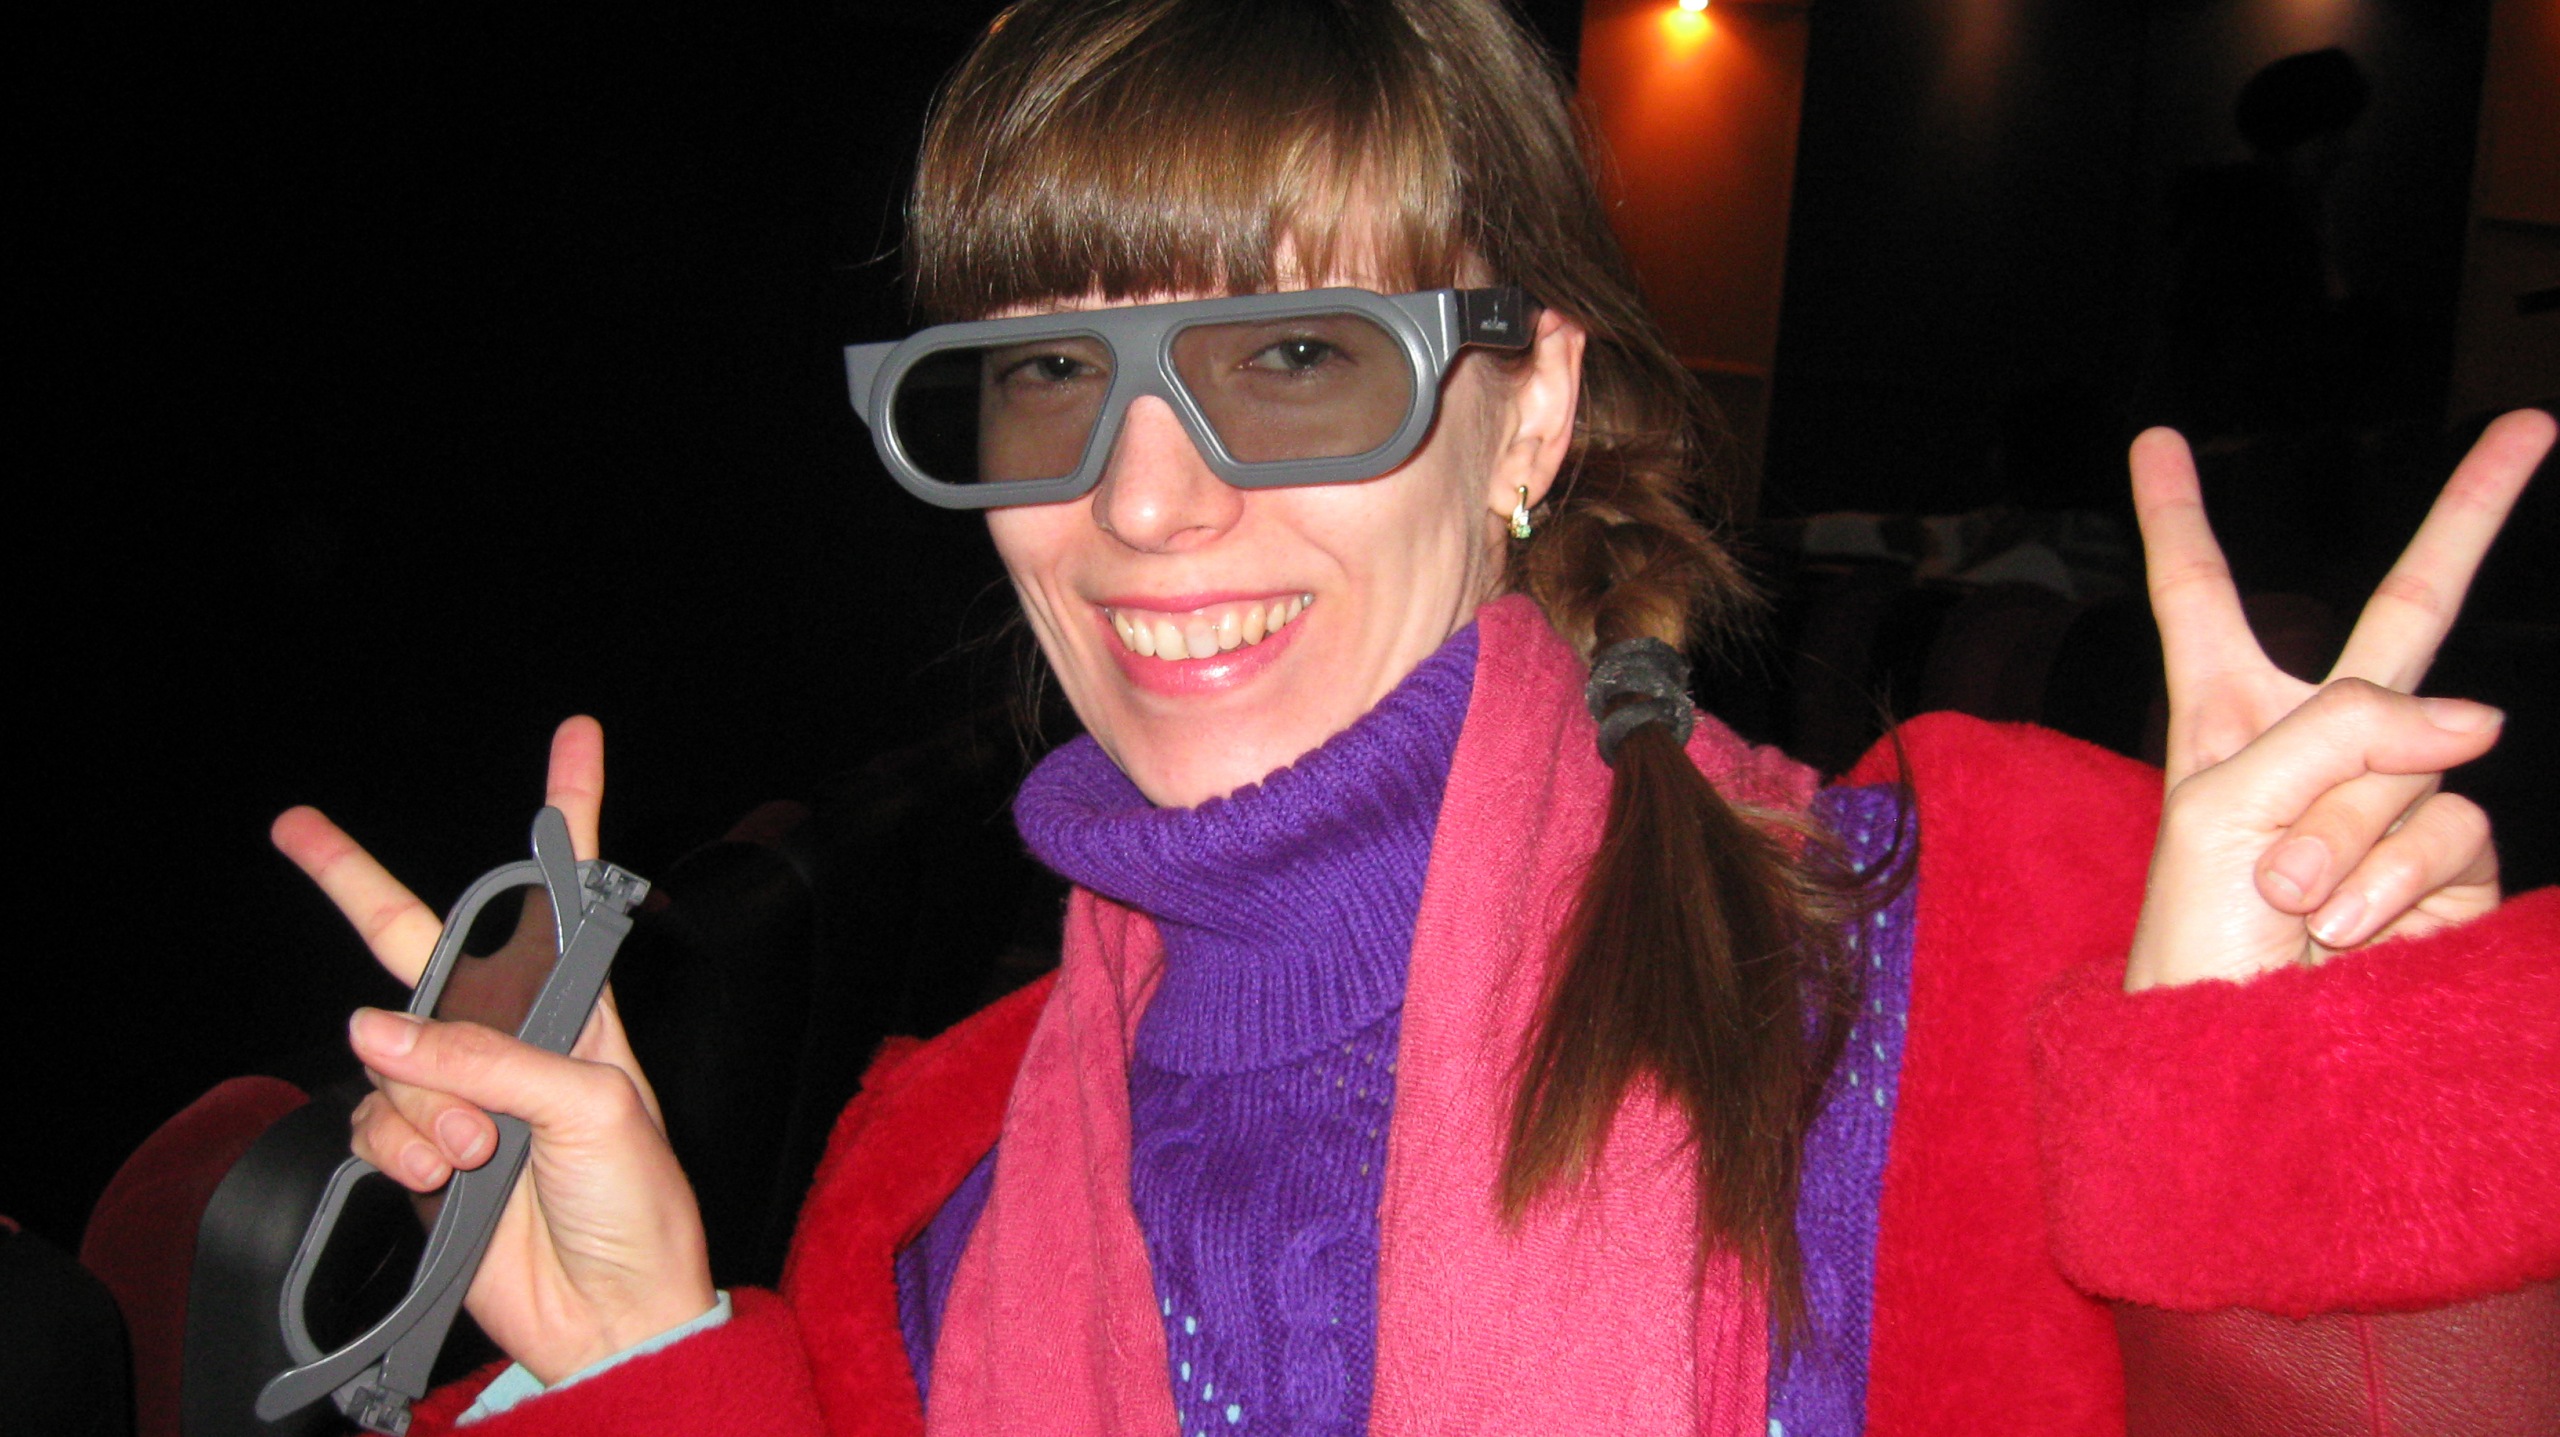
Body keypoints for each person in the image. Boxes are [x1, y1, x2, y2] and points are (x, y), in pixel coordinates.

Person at [270, 1, 2560, 1432]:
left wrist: (2298, 1145)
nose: (1139, 501)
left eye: (1292, 359)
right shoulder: (926, 1182)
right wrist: (649, 1354)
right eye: (1047, 372)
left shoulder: (1985, 954)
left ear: (1526, 409)